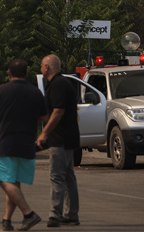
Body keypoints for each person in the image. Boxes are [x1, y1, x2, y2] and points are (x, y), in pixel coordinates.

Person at [0, 59, 48, 232]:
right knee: (14, 184)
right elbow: (45, 118)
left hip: (7, 143)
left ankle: (29, 213)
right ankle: (7, 220)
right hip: (27, 144)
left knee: (2, 179)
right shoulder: (35, 93)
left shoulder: (1, 91)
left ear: (9, 73)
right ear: (26, 73)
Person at [36, 55, 80, 227]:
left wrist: (44, 133)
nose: (40, 68)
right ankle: (71, 214)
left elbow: (58, 112)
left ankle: (55, 214)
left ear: (46, 67)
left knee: (57, 177)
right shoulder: (62, 83)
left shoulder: (57, 85)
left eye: (41, 65)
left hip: (60, 139)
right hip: (68, 138)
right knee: (68, 177)